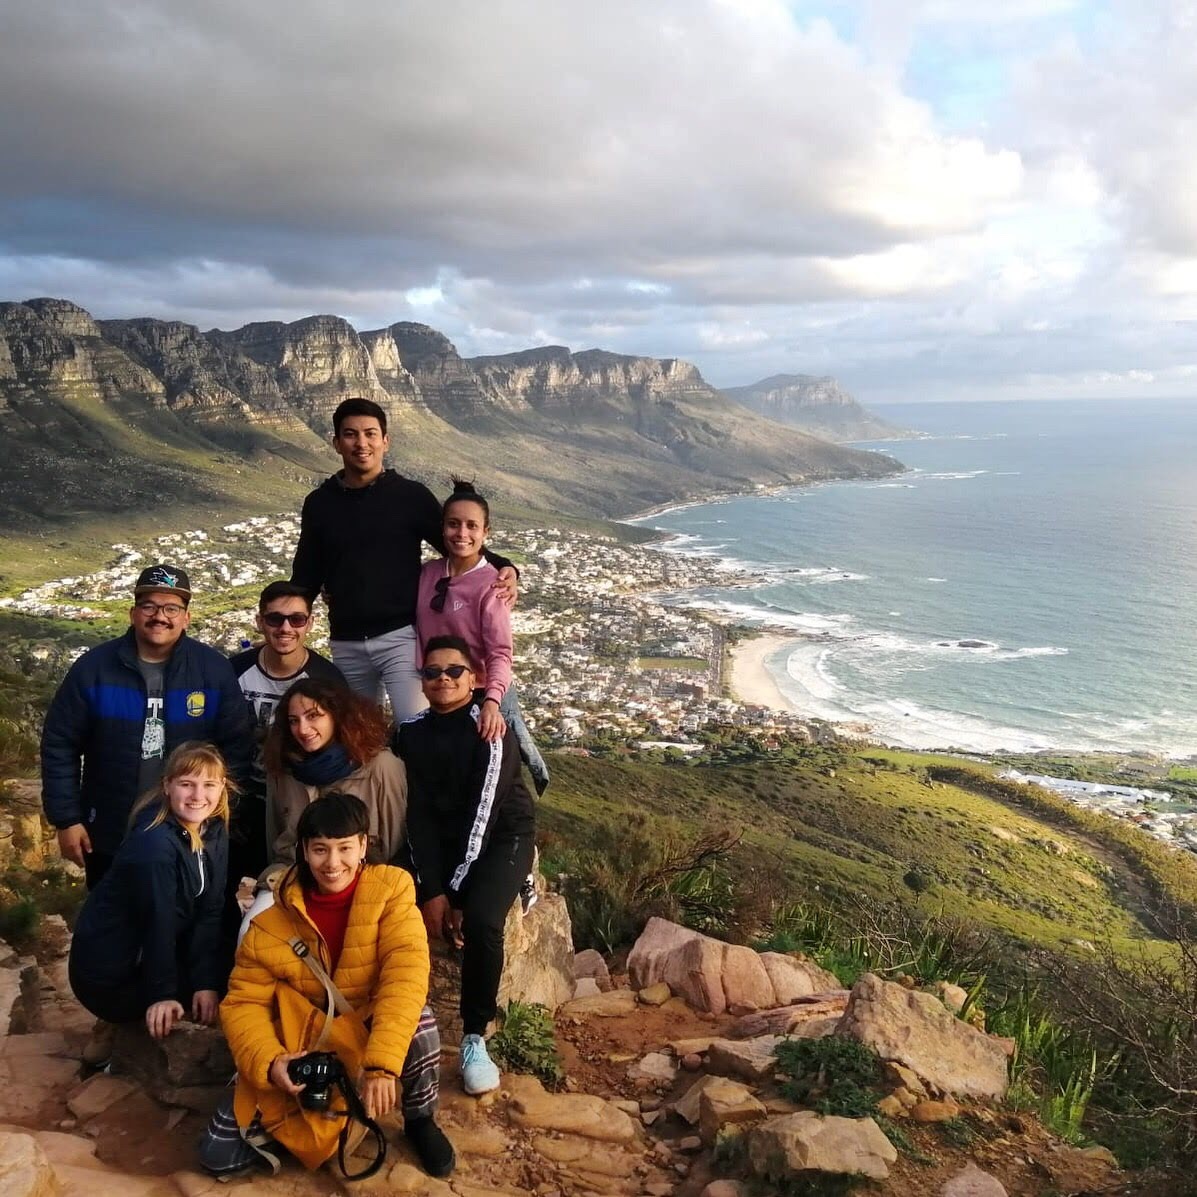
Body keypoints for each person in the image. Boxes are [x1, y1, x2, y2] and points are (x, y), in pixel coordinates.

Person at [200, 793, 453, 1180]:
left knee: (420, 1023)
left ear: (363, 846)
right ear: (304, 850)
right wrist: (271, 1062)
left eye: (344, 848)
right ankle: (315, 1118)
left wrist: (382, 1066)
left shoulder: (392, 891)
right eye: (320, 849)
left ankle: (419, 1120)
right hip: (304, 1041)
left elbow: (405, 975)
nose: (333, 863)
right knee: (218, 1154)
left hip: (364, 1024)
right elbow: (243, 1003)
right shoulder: (271, 920)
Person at [290, 397, 518, 721]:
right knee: (360, 733)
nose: (361, 443)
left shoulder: (409, 496)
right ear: (336, 443)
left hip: (400, 638)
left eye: (370, 434)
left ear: (385, 441)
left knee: (415, 724)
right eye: (351, 434)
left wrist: (505, 566)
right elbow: (306, 573)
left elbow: (456, 542)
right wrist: (285, 620)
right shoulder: (319, 503)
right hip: (346, 640)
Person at [40, 563, 252, 890]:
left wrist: (219, 817)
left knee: (190, 915)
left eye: (171, 608)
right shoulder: (94, 669)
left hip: (192, 828)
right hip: (110, 829)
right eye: (149, 606)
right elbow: (60, 744)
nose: (159, 616)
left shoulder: (212, 671)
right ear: (133, 613)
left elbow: (237, 749)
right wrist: (67, 819)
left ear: (186, 617)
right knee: (112, 914)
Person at [394, 636, 535, 1096]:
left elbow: (483, 815)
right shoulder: (410, 734)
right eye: (432, 672)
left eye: (454, 671)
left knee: (482, 920)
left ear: (473, 679)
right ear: (422, 681)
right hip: (446, 837)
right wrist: (430, 888)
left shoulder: (490, 729)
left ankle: (475, 1036)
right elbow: (415, 816)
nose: (443, 679)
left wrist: (454, 894)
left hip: (502, 835)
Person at [67, 742, 231, 1054]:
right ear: (167, 786)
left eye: (209, 784)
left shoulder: (213, 830)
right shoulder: (153, 845)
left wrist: (205, 981)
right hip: (110, 974)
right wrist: (162, 994)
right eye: (187, 784)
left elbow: (210, 910)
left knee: (231, 969)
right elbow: (158, 921)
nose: (198, 795)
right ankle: (115, 1034)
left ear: (222, 786)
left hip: (149, 951)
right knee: (228, 986)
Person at [416, 480, 549, 794]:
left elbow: (500, 652)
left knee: (504, 770)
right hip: (441, 688)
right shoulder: (428, 573)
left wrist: (492, 701)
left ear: (485, 532)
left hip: (482, 691)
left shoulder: (492, 585)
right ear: (442, 528)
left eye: (472, 526)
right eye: (453, 524)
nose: (462, 533)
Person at [230, 580, 346, 884]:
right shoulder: (234, 672)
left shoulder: (326, 679)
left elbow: (337, 750)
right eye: (275, 619)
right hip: (238, 798)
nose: (285, 628)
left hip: (293, 800)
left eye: (296, 619)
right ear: (260, 622)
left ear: (310, 623)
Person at [264, 677, 407, 870]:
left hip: (367, 878)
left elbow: (397, 848)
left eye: (313, 716)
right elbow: (275, 844)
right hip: (292, 875)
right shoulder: (283, 769)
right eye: (294, 721)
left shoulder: (382, 768)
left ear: (336, 715)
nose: (303, 729)